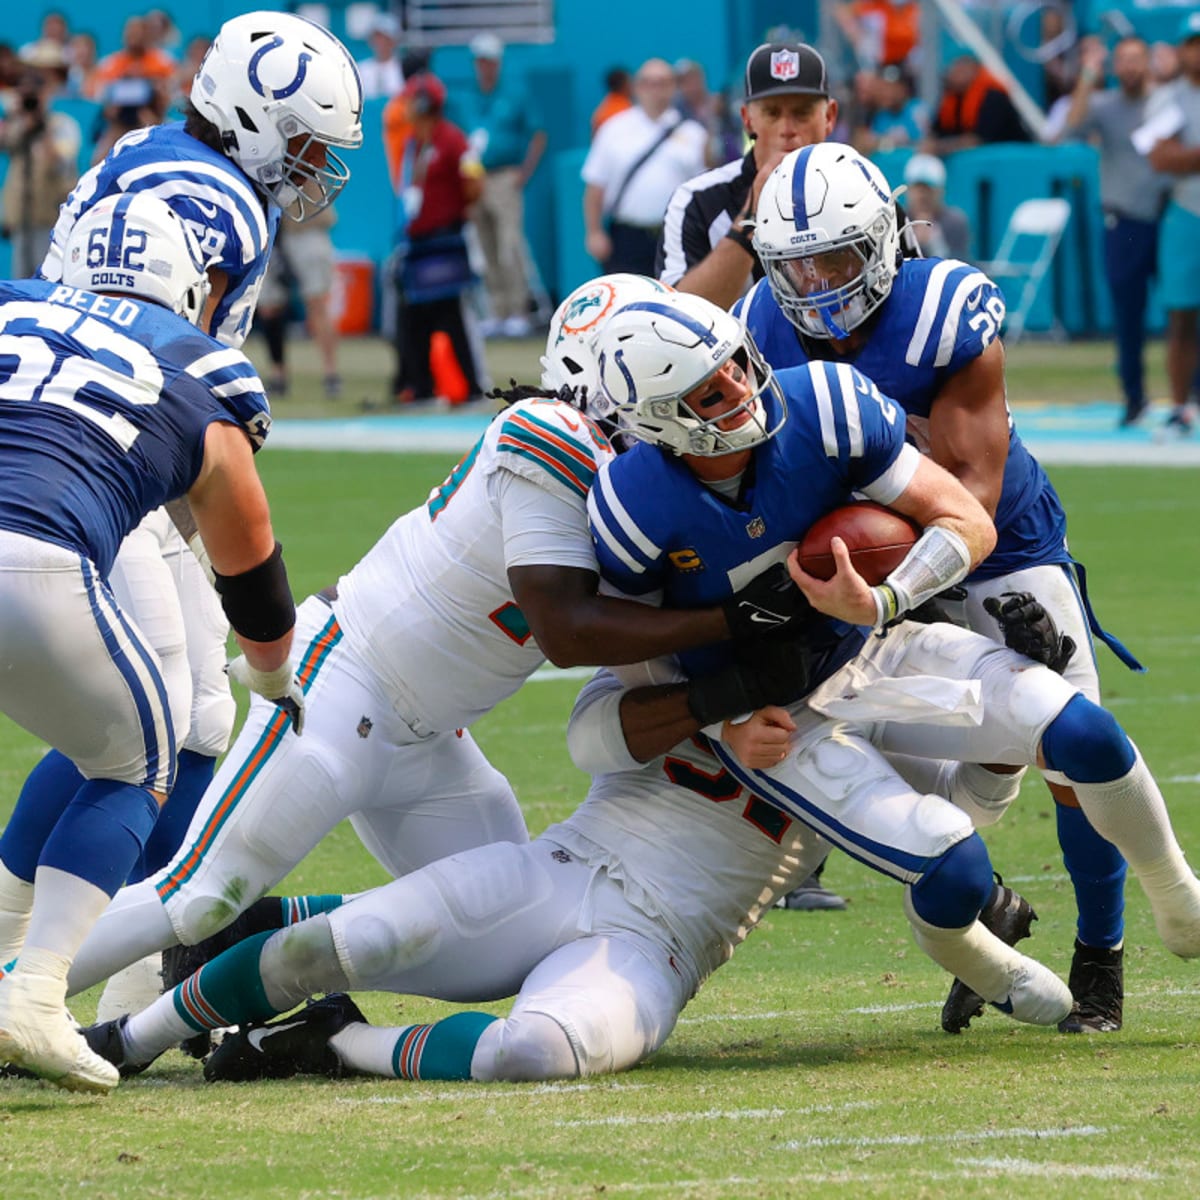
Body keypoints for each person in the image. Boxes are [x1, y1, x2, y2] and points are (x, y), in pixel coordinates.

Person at [58, 274, 821, 1032]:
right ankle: (19, 995)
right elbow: (566, 628)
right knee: (197, 892)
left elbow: (643, 647)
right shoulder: (551, 435)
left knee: (500, 932)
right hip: (342, 687)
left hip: (430, 737)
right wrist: (734, 620)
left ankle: (259, 935)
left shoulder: (648, 480)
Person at [745, 142, 1147, 1032]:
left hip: (998, 543)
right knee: (860, 743)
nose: (813, 283)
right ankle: (989, 911)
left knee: (1073, 751)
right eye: (794, 263)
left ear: (886, 240)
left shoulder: (943, 310)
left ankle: (1101, 957)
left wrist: (894, 592)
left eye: (836, 257)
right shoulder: (759, 329)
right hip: (868, 555)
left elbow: (975, 500)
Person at [19, 10, 361, 1011]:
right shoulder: (208, 198)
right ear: (250, 118)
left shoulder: (162, 152)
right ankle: (41, 970)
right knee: (157, 728)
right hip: (111, 460)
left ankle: (112, 976)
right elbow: (169, 366)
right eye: (302, 147)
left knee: (190, 718)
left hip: (93, 444)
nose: (312, 172)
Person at [0, 192, 301, 1094]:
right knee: (143, 756)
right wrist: (276, 673)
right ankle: (36, 993)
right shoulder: (201, 370)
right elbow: (252, 566)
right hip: (40, 561)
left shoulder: (12, 299)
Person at [656, 42, 837, 311]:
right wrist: (750, 218)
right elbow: (677, 318)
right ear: (747, 119)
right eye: (772, 113)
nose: (787, 129)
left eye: (802, 112)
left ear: (829, 117)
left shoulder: (864, 191)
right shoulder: (697, 201)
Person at [1061, 36, 1170, 428]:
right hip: (1124, 222)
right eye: (1121, 60)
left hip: (1168, 216)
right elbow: (1070, 127)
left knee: (1185, 309)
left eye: (1136, 59)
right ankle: (1134, 397)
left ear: (1148, 62)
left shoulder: (1165, 101)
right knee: (1128, 316)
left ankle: (1187, 395)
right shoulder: (1105, 106)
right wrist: (1088, 75)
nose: (1129, 67)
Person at [389, 72, 487, 405]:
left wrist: (456, 211)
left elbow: (473, 182)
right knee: (415, 318)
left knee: (452, 315)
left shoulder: (453, 139)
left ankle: (473, 387)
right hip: (417, 241)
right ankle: (420, 386)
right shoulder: (413, 143)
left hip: (445, 239)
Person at [450, 33, 546, 339]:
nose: (485, 66)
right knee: (485, 244)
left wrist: (524, 172)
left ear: (498, 62)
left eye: (489, 61)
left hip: (505, 176)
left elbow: (537, 134)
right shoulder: (468, 96)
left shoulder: (515, 93)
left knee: (509, 244)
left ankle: (517, 310)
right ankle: (496, 309)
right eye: (480, 61)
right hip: (476, 177)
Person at [582, 58, 706, 276]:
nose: (655, 90)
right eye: (649, 83)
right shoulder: (613, 129)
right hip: (627, 237)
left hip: (677, 236)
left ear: (674, 87)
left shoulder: (694, 134)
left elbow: (704, 190)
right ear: (637, 87)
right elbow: (595, 186)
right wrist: (594, 232)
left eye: (663, 83)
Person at [1144, 11, 1200, 437]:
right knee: (1180, 312)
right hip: (1185, 212)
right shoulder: (1170, 98)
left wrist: (1187, 154)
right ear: (1182, 50)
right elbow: (1160, 157)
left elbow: (1174, 155)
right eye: (1193, 43)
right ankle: (1181, 405)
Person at [0, 62, 80, 277]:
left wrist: (41, 124)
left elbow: (62, 158)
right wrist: (15, 117)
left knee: (45, 278)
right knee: (20, 282)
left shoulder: (61, 124)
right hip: (21, 217)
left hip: (49, 217)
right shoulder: (18, 124)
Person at [255, 203, 342, 398]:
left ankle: (331, 374)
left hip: (305, 220)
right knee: (269, 306)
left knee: (317, 302)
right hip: (267, 226)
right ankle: (278, 374)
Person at [928, 55, 1029, 153]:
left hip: (1011, 159)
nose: (951, 74)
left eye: (958, 68)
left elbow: (978, 140)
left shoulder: (993, 97)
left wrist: (939, 147)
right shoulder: (952, 99)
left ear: (973, 68)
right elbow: (936, 132)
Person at [901, 153, 970, 261]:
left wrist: (935, 245)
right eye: (917, 189)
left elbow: (960, 266)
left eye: (928, 189)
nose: (922, 196)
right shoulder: (897, 220)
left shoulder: (955, 222)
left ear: (940, 191)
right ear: (908, 190)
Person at [356, 12, 404, 101]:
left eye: (385, 38)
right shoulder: (361, 69)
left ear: (394, 41)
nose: (380, 42)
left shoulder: (403, 68)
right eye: (377, 37)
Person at [591, 66, 632, 137]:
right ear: (624, 85)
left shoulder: (602, 109)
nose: (633, 86)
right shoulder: (622, 112)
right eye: (630, 82)